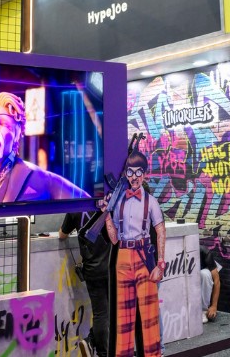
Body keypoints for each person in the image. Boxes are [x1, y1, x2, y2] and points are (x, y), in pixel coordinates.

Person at [103, 150, 165, 357]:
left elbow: (160, 231)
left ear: (145, 174)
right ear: (126, 174)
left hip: (143, 256)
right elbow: (114, 239)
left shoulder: (151, 202)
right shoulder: (119, 201)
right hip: (122, 257)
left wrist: (161, 263)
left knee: (149, 319)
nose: (135, 176)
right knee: (124, 321)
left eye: (139, 172)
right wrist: (107, 216)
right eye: (130, 172)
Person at [59, 211, 111, 357]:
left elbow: (62, 235)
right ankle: (94, 343)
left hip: (92, 270)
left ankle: (96, 346)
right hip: (112, 267)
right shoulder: (110, 205)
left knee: (101, 313)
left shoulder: (75, 208)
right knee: (111, 312)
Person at [200, 246, 221, 323]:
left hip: (203, 275)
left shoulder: (204, 252)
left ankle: (203, 310)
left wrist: (214, 306)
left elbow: (217, 280)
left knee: (204, 274)